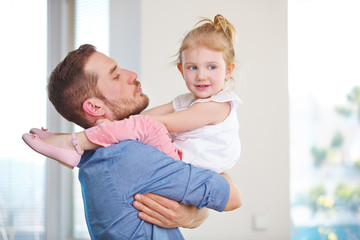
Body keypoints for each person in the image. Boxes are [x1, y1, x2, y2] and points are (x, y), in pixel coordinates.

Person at [22, 17, 242, 240]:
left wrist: (192, 215)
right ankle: (72, 140)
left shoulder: (99, 157)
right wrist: (193, 216)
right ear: (95, 106)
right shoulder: (128, 155)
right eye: (116, 75)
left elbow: (204, 186)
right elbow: (232, 197)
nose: (132, 75)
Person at [23, 14, 241, 174]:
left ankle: (71, 142)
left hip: (187, 165)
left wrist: (120, 125)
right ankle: (68, 143)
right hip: (182, 163)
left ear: (228, 70)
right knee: (145, 125)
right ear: (181, 70)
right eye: (193, 68)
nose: (202, 76)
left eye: (212, 67)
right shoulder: (186, 101)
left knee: (147, 126)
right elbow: (147, 118)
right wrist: (126, 125)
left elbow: (160, 122)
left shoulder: (218, 105)